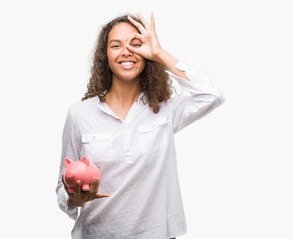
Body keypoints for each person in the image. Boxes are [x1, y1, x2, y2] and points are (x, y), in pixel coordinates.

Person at [56, 12, 224, 239]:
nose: (126, 51)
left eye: (135, 44)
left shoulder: (165, 110)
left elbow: (211, 95)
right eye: (116, 45)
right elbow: (62, 186)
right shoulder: (80, 114)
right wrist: (73, 199)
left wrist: (160, 53)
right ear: (105, 56)